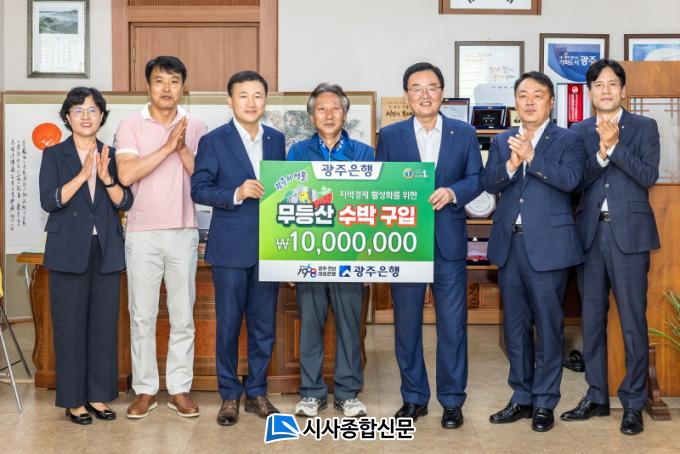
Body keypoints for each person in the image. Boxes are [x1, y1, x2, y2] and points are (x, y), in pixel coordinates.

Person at [376, 62, 483, 429]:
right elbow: (380, 184)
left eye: (432, 87)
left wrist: (453, 192)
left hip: (448, 242)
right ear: (406, 95)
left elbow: (476, 178)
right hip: (405, 243)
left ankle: (452, 401)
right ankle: (414, 397)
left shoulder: (464, 132)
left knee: (453, 326)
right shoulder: (390, 135)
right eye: (416, 88)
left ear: (442, 93)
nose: (425, 95)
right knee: (406, 326)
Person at [560, 59, 660, 436]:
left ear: (623, 90)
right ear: (590, 92)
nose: (605, 90)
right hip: (589, 235)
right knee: (591, 320)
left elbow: (647, 175)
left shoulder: (644, 127)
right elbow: (573, 182)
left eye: (612, 84)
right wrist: (600, 155)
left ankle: (633, 402)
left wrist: (615, 146)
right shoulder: (578, 131)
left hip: (630, 235)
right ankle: (597, 395)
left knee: (633, 320)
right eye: (598, 85)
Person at [482, 71, 585, 432]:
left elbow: (571, 180)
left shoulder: (569, 139)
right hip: (511, 245)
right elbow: (488, 182)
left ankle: (544, 401)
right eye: (523, 95)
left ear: (550, 102)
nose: (529, 101)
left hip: (549, 247)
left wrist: (532, 157)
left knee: (549, 326)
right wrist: (512, 164)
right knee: (515, 327)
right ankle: (521, 397)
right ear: (515, 102)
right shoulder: (502, 140)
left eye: (537, 95)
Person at [191, 70, 285, 426]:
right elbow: (199, 188)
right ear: (230, 101)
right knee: (229, 325)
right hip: (230, 248)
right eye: (243, 95)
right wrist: (236, 192)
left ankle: (257, 392)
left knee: (264, 326)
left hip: (270, 247)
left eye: (258, 95)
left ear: (265, 100)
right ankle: (229, 395)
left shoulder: (276, 139)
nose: (251, 102)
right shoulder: (214, 140)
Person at [115, 56, 207, 419]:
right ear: (148, 85)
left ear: (183, 85)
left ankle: (180, 389)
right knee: (142, 315)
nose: (166, 88)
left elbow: (204, 179)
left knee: (183, 315)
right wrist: (167, 147)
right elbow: (126, 174)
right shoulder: (130, 124)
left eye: (173, 81)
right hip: (142, 232)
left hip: (184, 230)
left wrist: (182, 149)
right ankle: (145, 390)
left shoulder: (196, 124)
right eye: (159, 81)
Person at [39, 87, 133, 424]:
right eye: (78, 110)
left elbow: (125, 201)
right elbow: (49, 201)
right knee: (69, 327)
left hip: (105, 249)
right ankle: (73, 400)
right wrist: (82, 176)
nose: (86, 116)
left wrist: (106, 179)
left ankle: (97, 395)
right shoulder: (55, 155)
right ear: (67, 117)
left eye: (92, 110)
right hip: (68, 250)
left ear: (102, 117)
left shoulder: (112, 154)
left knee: (104, 326)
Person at [287, 83, 374, 418]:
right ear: (312, 116)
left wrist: (370, 262)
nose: (328, 114)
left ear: (345, 114)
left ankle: (348, 393)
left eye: (335, 108)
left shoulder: (364, 153)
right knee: (311, 325)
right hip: (310, 254)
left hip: (350, 254)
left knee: (350, 326)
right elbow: (289, 204)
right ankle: (311, 393)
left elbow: (373, 207)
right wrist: (289, 261)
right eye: (321, 109)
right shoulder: (297, 152)